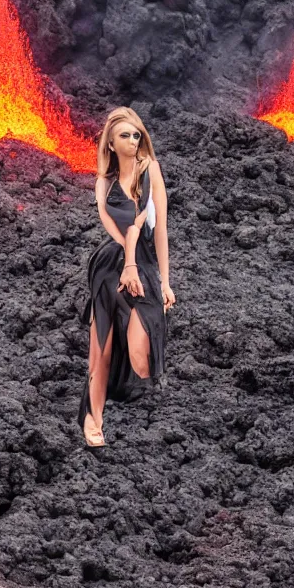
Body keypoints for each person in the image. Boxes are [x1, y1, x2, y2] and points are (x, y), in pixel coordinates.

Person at [79, 108, 175, 447]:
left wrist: (163, 281)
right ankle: (93, 420)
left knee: (140, 353)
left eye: (137, 135)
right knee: (101, 345)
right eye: (125, 136)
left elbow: (158, 228)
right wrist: (127, 265)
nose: (133, 141)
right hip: (110, 266)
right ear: (110, 144)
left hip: (145, 263)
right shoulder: (103, 184)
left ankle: (118, 391)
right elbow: (120, 234)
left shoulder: (151, 171)